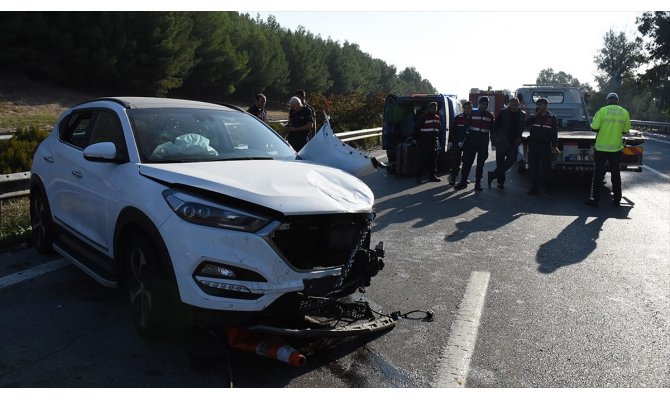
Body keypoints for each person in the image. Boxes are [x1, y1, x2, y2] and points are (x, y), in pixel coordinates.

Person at [585, 92, 631, 207]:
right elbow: (626, 130)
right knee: (616, 174)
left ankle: (595, 200)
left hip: (601, 148)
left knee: (598, 174)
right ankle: (617, 199)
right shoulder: (624, 112)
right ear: (617, 101)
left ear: (607, 100)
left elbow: (594, 127)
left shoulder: (602, 111)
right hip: (616, 148)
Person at [455, 96, 494, 191]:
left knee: (480, 164)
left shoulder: (490, 116)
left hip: (483, 142)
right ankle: (463, 182)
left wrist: (493, 142)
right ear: (479, 104)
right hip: (471, 141)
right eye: (483, 104)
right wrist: (461, 140)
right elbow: (465, 127)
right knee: (467, 162)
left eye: (486, 104)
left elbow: (493, 130)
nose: (485, 106)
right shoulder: (472, 113)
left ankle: (477, 184)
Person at [487, 97, 526, 189]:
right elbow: (495, 127)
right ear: (509, 104)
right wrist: (494, 141)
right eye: (512, 104)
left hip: (514, 142)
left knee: (512, 160)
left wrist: (520, 137)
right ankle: (500, 182)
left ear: (519, 104)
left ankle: (492, 175)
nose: (514, 106)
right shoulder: (503, 113)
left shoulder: (522, 114)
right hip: (502, 142)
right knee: (500, 163)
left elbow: (522, 127)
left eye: (516, 104)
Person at [524, 97, 558, 195]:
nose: (540, 106)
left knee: (546, 169)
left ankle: (548, 189)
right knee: (533, 169)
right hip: (534, 146)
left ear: (546, 106)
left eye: (542, 104)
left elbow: (554, 133)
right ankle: (534, 189)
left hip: (545, 147)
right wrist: (534, 116)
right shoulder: (534, 117)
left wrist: (554, 146)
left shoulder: (552, 117)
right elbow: (525, 124)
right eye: (538, 104)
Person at [413, 102, 442, 183]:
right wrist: (416, 139)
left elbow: (438, 129)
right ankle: (418, 177)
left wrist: (437, 139)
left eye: (435, 108)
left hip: (434, 142)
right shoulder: (423, 117)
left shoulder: (437, 118)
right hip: (424, 142)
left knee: (433, 160)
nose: (434, 109)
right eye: (432, 108)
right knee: (422, 160)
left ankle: (432, 176)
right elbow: (416, 128)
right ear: (429, 109)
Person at [448, 101, 473, 186]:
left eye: (469, 108)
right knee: (456, 161)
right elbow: (452, 130)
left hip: (469, 144)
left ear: (471, 108)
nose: (467, 110)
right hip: (457, 142)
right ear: (463, 108)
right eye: (466, 108)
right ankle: (453, 178)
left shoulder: (473, 118)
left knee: (466, 162)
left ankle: (464, 179)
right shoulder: (458, 118)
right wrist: (450, 141)